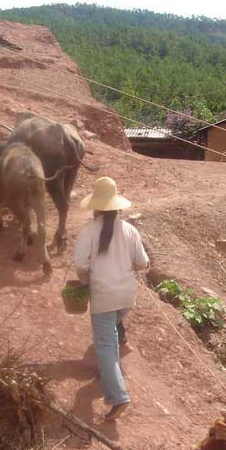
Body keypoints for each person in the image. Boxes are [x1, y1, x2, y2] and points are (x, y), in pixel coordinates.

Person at [74, 177, 150, 421]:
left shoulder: (88, 230)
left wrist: (85, 280)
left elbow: (80, 265)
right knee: (112, 337)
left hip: (104, 297)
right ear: (117, 205)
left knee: (105, 345)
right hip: (126, 298)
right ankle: (109, 373)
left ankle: (118, 397)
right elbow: (142, 263)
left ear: (95, 206)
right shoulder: (130, 230)